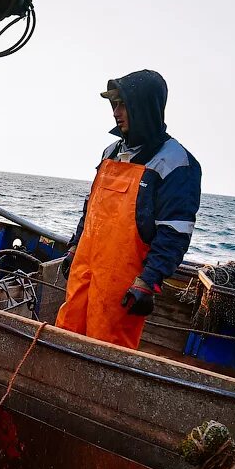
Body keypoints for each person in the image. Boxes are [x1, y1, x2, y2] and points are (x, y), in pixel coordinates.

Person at [55, 70, 201, 350]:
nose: (115, 113)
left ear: (145, 107)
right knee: (66, 335)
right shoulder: (110, 152)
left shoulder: (177, 163)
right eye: (114, 105)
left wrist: (149, 280)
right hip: (85, 269)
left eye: (123, 105)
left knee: (108, 351)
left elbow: (175, 233)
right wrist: (74, 248)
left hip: (123, 283)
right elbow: (91, 208)